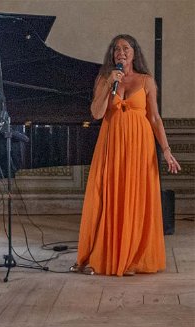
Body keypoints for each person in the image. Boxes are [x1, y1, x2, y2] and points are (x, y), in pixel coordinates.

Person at [72, 34, 181, 277]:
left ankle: (133, 257)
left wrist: (166, 150)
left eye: (126, 48)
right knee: (107, 196)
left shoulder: (146, 81)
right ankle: (103, 254)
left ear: (134, 53)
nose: (121, 52)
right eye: (116, 49)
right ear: (112, 55)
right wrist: (110, 83)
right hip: (111, 146)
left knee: (136, 198)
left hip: (140, 149)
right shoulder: (104, 78)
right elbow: (97, 113)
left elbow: (154, 118)